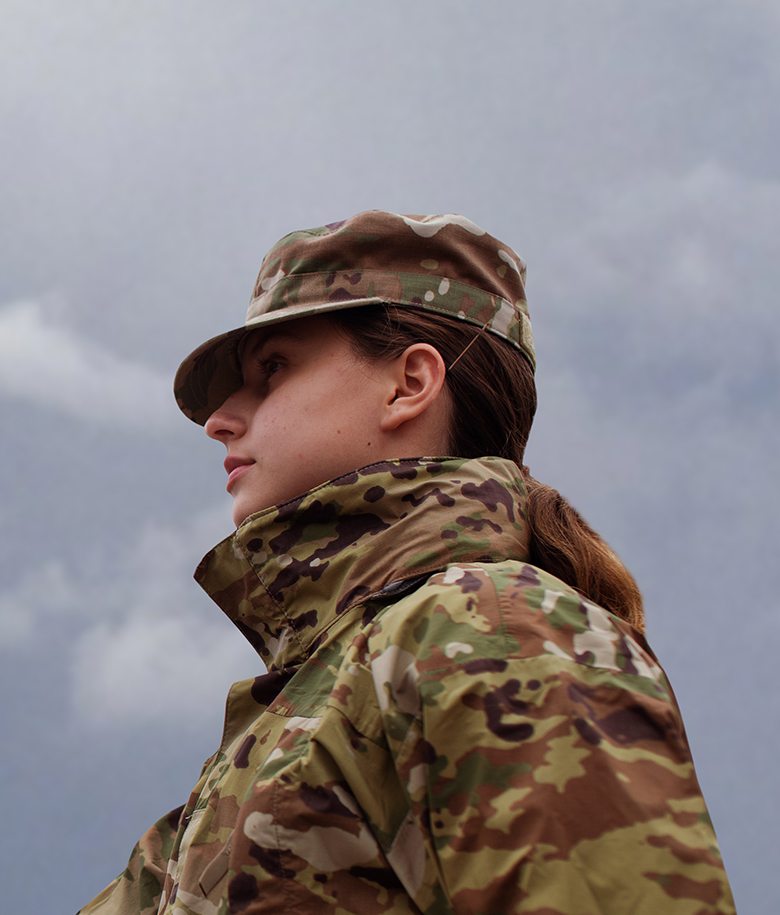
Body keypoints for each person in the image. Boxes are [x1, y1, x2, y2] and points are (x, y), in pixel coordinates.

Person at [79, 211, 735, 914]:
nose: (222, 419)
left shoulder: (490, 631)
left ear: (409, 383)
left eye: (273, 369)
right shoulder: (288, 725)